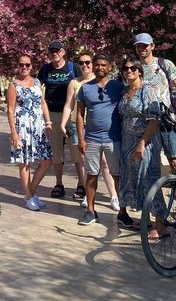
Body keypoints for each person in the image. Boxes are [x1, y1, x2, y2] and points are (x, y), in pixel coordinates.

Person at [58, 50, 117, 209]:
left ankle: (113, 195)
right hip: (80, 127)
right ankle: (87, 194)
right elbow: (69, 106)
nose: (84, 65)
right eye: (81, 63)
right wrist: (63, 124)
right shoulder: (75, 83)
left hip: (100, 130)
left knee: (105, 163)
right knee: (84, 163)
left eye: (87, 62)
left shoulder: (106, 83)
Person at [116, 57, 164, 236]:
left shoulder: (147, 90)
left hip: (146, 142)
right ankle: (147, 220)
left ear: (140, 72)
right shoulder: (125, 91)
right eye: (126, 68)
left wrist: (143, 141)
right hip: (127, 143)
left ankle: (160, 224)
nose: (129, 71)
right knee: (136, 181)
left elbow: (154, 118)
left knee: (149, 180)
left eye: (133, 68)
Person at [134, 33, 176, 185]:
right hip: (142, 122)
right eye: (138, 46)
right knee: (144, 159)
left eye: (145, 45)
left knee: (174, 161)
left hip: (165, 121)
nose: (142, 49)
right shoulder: (133, 67)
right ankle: (147, 197)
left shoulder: (165, 64)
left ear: (152, 46)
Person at [76, 52, 124, 226]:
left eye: (104, 65)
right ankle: (90, 210)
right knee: (91, 174)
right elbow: (80, 114)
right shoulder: (85, 88)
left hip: (114, 138)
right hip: (92, 139)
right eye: (97, 65)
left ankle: (122, 211)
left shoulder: (118, 87)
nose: (100, 68)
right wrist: (81, 138)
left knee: (117, 174)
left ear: (110, 67)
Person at [7, 54, 53, 211]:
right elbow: (10, 110)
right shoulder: (13, 85)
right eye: (21, 64)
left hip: (39, 128)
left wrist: (48, 122)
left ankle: (30, 193)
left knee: (47, 161)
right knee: (25, 162)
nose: (24, 67)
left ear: (32, 66)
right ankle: (29, 196)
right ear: (17, 66)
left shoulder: (37, 82)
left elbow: (42, 103)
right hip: (23, 128)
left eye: (27, 64)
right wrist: (14, 132)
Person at [36, 40, 79, 199]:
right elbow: (37, 87)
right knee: (56, 152)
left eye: (57, 50)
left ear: (63, 52)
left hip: (71, 113)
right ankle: (59, 183)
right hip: (53, 113)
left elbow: (81, 85)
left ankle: (81, 184)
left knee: (76, 150)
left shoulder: (72, 68)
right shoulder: (45, 69)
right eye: (51, 50)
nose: (54, 53)